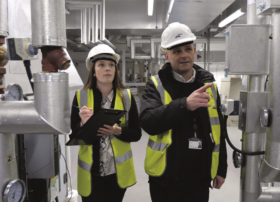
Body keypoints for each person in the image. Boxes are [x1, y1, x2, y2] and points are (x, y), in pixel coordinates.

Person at [141, 22, 227, 202]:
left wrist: (220, 169)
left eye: (188, 49)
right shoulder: (155, 85)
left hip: (200, 176)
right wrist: (184, 105)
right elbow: (149, 122)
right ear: (167, 56)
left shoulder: (208, 85)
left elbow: (219, 130)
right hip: (166, 178)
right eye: (177, 51)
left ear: (194, 51)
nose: (184, 55)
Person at [70, 44, 141, 202]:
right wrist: (82, 124)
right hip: (90, 173)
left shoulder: (126, 97)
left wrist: (117, 131)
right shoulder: (81, 97)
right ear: (93, 71)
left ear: (115, 70)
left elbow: (136, 134)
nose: (107, 68)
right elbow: (73, 135)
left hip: (116, 173)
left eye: (111, 65)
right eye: (101, 65)